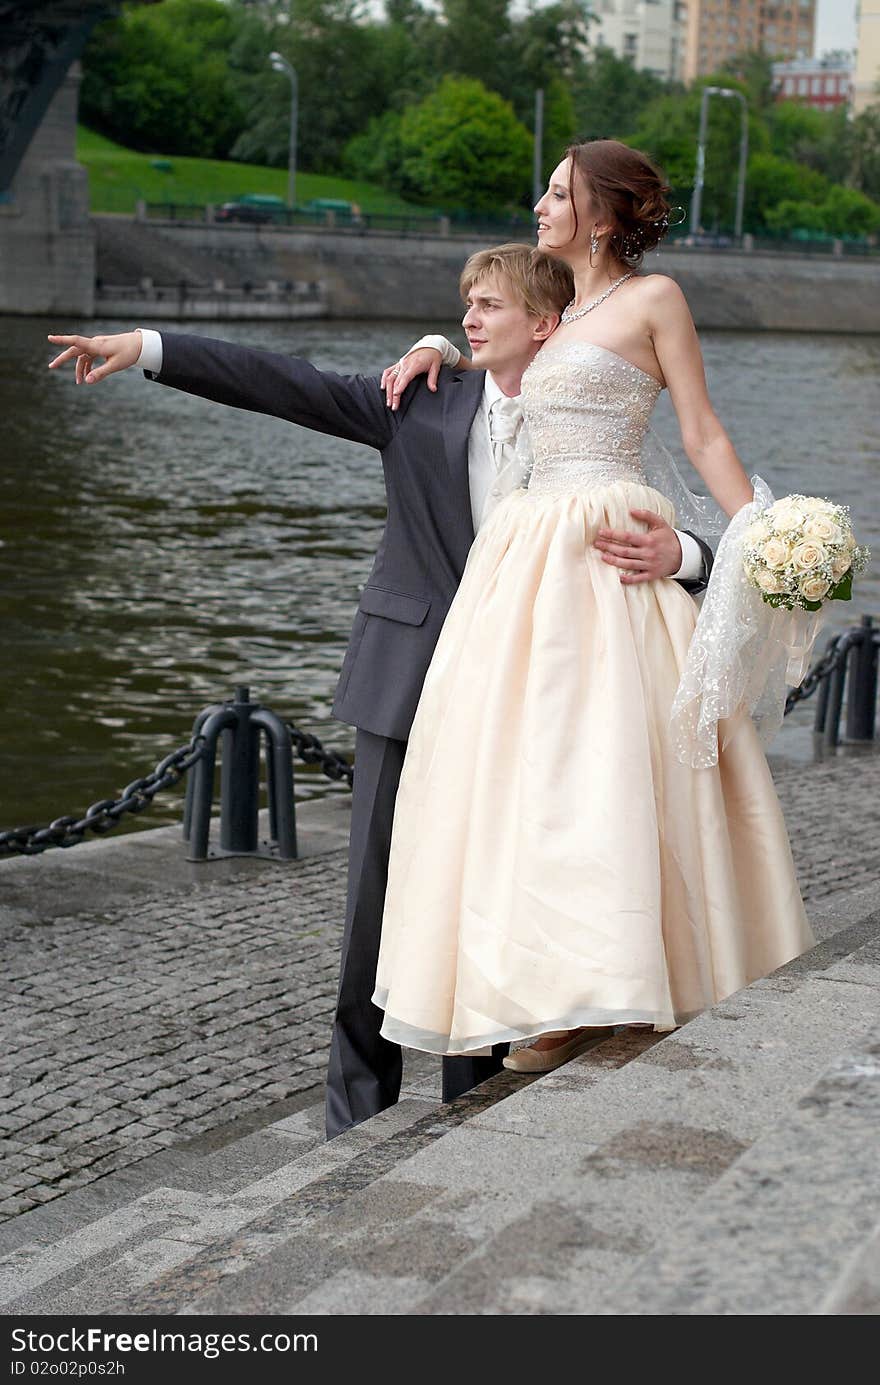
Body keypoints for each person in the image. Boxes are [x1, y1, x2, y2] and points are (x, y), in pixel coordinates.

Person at [46, 244, 710, 1136]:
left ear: (551, 326)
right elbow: (286, 383)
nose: (470, 319)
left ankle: (473, 1104)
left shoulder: (594, 421)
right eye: (464, 306)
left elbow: (660, 523)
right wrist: (150, 347)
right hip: (411, 682)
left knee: (492, 900)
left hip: (532, 702)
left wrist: (698, 557)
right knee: (373, 913)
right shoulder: (419, 397)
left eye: (490, 305)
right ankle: (352, 1121)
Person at [370, 140, 814, 1072]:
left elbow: (700, 429)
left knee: (612, 764)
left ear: (604, 216)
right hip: (524, 560)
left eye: (560, 191)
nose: (540, 201)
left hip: (610, 544)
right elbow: (501, 338)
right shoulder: (551, 302)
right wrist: (438, 342)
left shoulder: (653, 301)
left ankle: (618, 979)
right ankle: (550, 987)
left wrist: (764, 539)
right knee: (521, 773)